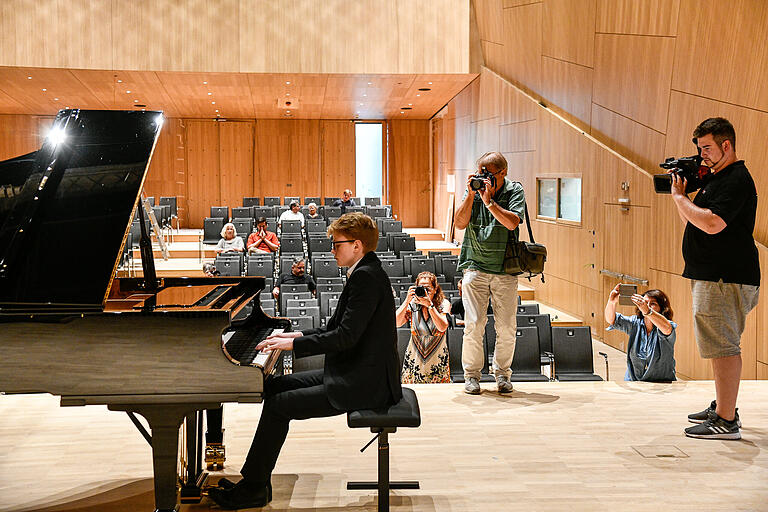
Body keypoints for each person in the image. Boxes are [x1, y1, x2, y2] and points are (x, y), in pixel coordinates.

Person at [208, 212, 402, 510]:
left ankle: (254, 488)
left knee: (278, 405)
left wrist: (294, 345)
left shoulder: (366, 277)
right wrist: (297, 334)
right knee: (274, 388)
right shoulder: (365, 271)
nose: (332, 250)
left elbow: (345, 338)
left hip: (365, 383)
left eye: (337, 245)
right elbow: (336, 328)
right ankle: (258, 480)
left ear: (357, 246)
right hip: (355, 372)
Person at [669, 117, 759, 440]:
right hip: (715, 276)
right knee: (717, 343)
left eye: (706, 148)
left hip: (725, 277)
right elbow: (694, 222)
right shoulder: (718, 178)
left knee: (723, 346)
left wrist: (681, 199)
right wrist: (680, 196)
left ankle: (726, 420)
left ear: (726, 145)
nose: (701, 155)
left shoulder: (735, 180)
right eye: (699, 148)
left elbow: (711, 224)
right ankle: (724, 406)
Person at [454, 151, 525, 395]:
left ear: (503, 172)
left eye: (488, 173)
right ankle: (472, 376)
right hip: (474, 266)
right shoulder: (473, 191)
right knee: (473, 325)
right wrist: (472, 195)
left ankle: (503, 374)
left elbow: (512, 222)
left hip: (505, 269)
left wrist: (489, 202)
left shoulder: (514, 191)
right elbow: (459, 223)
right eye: (480, 172)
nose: (483, 177)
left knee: (506, 327)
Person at [604, 285, 677, 382]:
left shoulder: (666, 324)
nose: (647, 306)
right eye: (645, 302)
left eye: (653, 304)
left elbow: (667, 329)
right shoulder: (635, 322)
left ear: (661, 308)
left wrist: (647, 311)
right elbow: (612, 320)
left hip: (661, 382)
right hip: (634, 381)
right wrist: (612, 301)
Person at [396, 271, 451, 383]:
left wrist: (430, 306)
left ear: (435, 289)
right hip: (414, 359)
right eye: (421, 288)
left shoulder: (443, 304)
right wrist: (407, 301)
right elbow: (396, 323)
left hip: (437, 359)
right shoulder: (412, 305)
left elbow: (442, 327)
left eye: (428, 288)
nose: (425, 291)